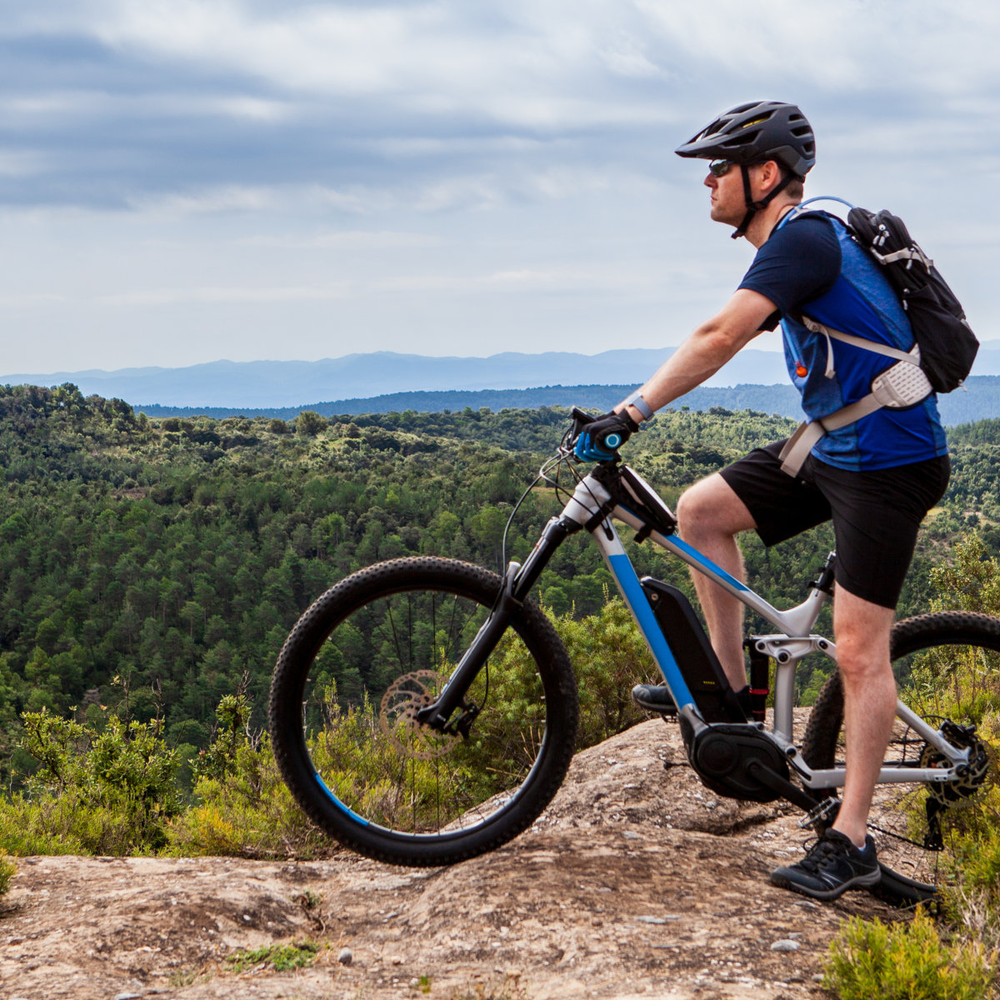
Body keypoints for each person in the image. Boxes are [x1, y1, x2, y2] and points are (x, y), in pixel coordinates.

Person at [575, 101, 950, 901]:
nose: (707, 181)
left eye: (719, 167)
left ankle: (851, 844)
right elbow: (739, 333)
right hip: (833, 445)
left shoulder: (806, 239)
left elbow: (721, 334)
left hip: (891, 463)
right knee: (701, 512)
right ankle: (731, 686)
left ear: (766, 174)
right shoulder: (801, 242)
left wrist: (632, 411)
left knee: (857, 651)